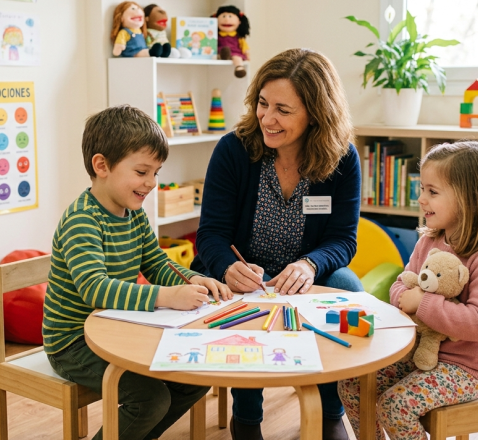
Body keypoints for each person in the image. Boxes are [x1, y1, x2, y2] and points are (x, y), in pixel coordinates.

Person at [191, 48, 364, 440]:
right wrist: (227, 266)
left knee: (348, 288)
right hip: (246, 271)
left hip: (304, 272)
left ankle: (330, 411)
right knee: (245, 299)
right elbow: (210, 234)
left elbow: (343, 239)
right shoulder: (233, 150)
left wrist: (309, 265)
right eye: (263, 103)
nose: (267, 118)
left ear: (316, 114)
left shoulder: (342, 159)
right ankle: (247, 417)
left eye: (283, 110)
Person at [43, 104, 231, 440]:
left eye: (156, 173)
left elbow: (156, 262)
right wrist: (167, 296)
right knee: (149, 400)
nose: (152, 183)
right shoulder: (81, 220)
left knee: (195, 378)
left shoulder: (134, 214)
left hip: (115, 327)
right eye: (142, 171)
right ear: (102, 166)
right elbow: (96, 289)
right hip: (73, 343)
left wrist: (192, 278)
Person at [338, 141, 478, 440]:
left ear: (472, 199)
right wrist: (405, 297)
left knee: (396, 407)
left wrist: (422, 302)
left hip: (467, 368)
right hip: (418, 354)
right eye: (422, 189)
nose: (421, 199)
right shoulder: (429, 241)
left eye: (432, 192)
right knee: (353, 384)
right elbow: (401, 283)